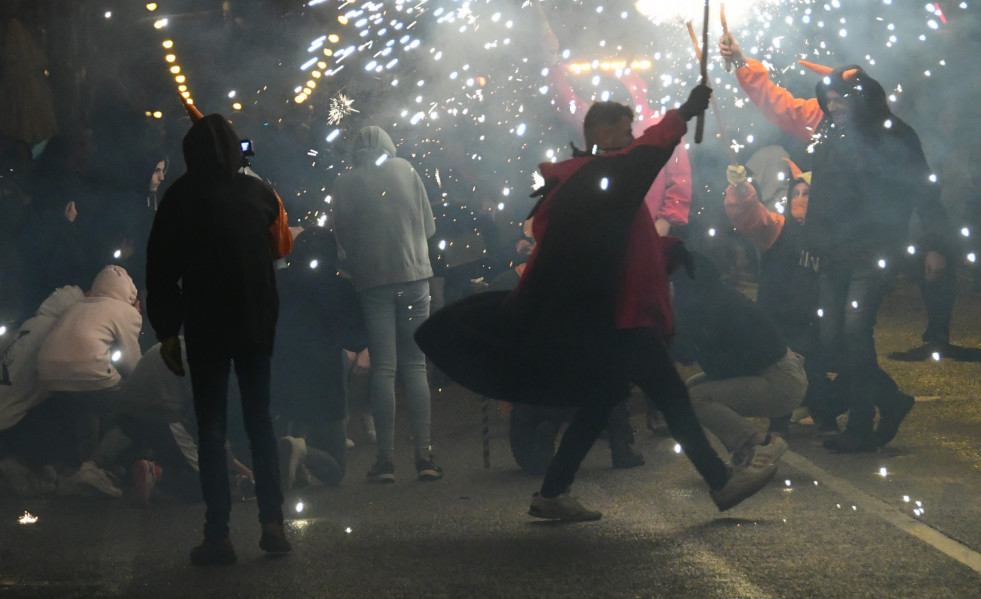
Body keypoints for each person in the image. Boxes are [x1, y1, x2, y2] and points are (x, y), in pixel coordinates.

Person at [417, 84, 778, 521]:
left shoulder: (595, 188)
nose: (630, 138)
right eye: (624, 131)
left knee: (600, 401)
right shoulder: (597, 182)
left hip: (611, 317)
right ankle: (721, 482)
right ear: (603, 135)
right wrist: (682, 114)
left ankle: (552, 493)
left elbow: (622, 247)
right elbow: (645, 158)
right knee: (673, 398)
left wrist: (667, 251)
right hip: (621, 317)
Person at [719, 33, 954, 452]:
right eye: (828, 100)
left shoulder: (893, 134)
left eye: (841, 100)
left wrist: (936, 245)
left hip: (875, 250)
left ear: (862, 98)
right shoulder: (824, 124)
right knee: (832, 339)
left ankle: (861, 426)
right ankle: (889, 399)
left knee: (853, 332)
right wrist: (741, 63)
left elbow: (924, 189)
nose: (833, 107)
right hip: (832, 252)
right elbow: (777, 101)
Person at [146, 112, 294, 565]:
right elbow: (281, 247)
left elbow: (160, 271)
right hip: (254, 321)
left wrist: (168, 331)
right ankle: (272, 523)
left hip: (206, 326)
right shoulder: (260, 193)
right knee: (260, 423)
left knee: (210, 428)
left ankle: (218, 536)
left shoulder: (177, 199)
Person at [331, 125, 442, 484]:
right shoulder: (407, 169)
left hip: (374, 283)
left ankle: (386, 461)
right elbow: (429, 228)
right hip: (414, 278)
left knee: (383, 367)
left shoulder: (345, 183)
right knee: (414, 364)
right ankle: (424, 456)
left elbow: (343, 240)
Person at [723, 154, 844, 430]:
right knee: (782, 375)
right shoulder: (778, 227)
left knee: (814, 374)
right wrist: (742, 191)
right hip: (778, 322)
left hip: (811, 323)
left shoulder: (827, 238)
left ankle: (824, 422)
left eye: (807, 193)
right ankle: (783, 426)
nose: (799, 198)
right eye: (796, 193)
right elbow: (752, 217)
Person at [670, 252, 806, 467]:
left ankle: (762, 443)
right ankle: (745, 447)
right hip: (778, 373)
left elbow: (720, 367)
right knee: (688, 391)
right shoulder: (713, 297)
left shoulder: (711, 308)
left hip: (782, 382)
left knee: (696, 398)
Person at [274, 227, 367, 490]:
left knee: (288, 419)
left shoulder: (278, 281)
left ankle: (292, 453)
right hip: (326, 379)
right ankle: (301, 451)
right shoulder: (341, 286)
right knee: (336, 471)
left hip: (283, 374)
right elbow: (355, 339)